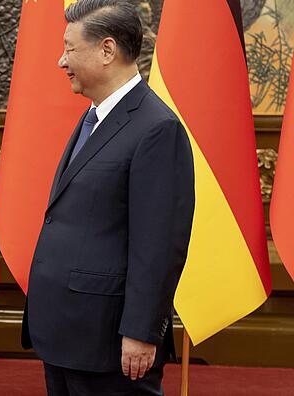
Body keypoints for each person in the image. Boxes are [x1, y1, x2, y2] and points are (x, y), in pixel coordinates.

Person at [21, 1, 195, 394]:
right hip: (68, 334)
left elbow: (160, 245)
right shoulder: (93, 118)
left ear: (106, 50)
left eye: (69, 48)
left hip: (111, 343)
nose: (60, 61)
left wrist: (141, 331)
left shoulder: (157, 129)